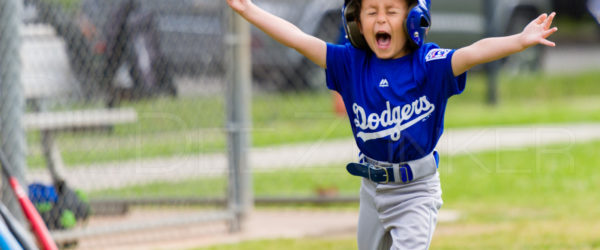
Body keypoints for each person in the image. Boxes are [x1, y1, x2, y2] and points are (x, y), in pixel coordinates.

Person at [227, 0, 557, 249]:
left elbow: (473, 52)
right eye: (371, 12)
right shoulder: (350, 63)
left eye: (391, 11)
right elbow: (298, 39)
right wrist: (248, 9)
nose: (380, 19)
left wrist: (520, 40)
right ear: (356, 21)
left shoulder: (428, 64)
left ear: (414, 18)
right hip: (371, 190)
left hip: (416, 192)